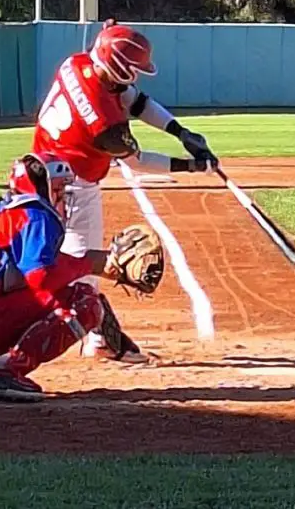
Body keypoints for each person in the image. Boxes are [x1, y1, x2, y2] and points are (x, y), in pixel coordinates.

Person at [32, 18, 218, 363]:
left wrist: (180, 132)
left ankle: (93, 332)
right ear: (119, 66)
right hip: (71, 187)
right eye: (134, 68)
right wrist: (191, 166)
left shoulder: (78, 63)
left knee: (55, 259)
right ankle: (94, 338)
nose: (137, 73)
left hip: (39, 171)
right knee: (82, 268)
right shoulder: (105, 124)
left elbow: (134, 99)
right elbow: (137, 161)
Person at [0, 152, 165, 402]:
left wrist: (96, 263)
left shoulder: (11, 214)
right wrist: (87, 265)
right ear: (41, 186)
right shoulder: (37, 216)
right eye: (59, 188)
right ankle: (5, 372)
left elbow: (22, 276)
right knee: (83, 302)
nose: (63, 195)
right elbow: (40, 279)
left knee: (32, 302)